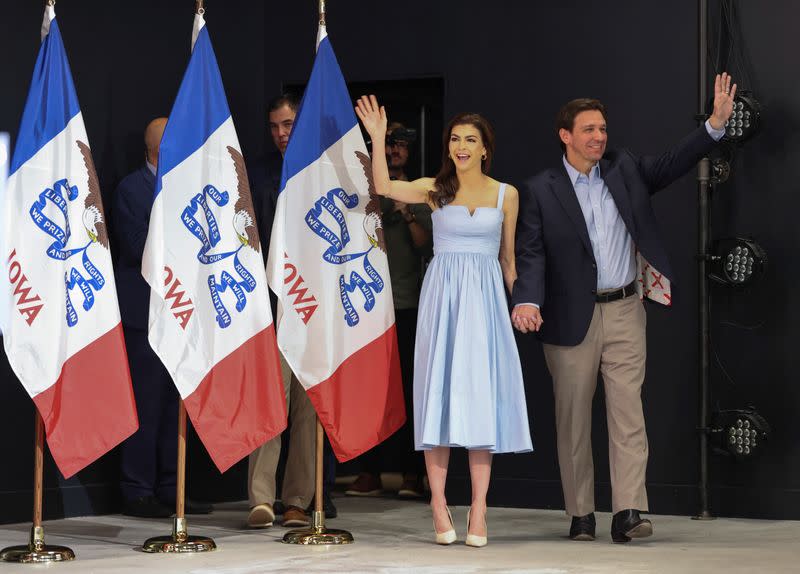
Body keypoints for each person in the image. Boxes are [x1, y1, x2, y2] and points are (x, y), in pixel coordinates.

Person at [511, 73, 737, 543]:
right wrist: (527, 298)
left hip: (624, 310)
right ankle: (581, 514)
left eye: (603, 129)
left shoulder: (625, 168)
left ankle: (629, 511)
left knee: (628, 412)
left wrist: (714, 125)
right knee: (572, 419)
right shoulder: (540, 188)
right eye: (589, 130)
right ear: (566, 135)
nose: (599, 137)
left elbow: (675, 162)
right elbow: (530, 251)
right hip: (569, 317)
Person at [356, 95, 533, 547]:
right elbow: (382, 186)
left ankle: (478, 508)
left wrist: (524, 303)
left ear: (485, 148)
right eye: (455, 139)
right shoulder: (435, 188)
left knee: (479, 400)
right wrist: (377, 138)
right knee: (438, 392)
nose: (461, 146)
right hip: (443, 298)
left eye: (470, 140)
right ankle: (438, 504)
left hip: (486, 301)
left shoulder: (505, 194)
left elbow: (509, 262)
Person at [114, 117, 212, 517]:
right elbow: (137, 245)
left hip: (182, 312)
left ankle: (175, 486)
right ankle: (137, 489)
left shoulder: (189, 191)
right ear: (159, 150)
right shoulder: (130, 189)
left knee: (178, 403)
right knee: (146, 404)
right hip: (144, 312)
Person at [246, 93, 334, 529]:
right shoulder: (258, 173)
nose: (282, 133)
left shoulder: (326, 170)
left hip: (315, 305)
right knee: (269, 402)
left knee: (309, 407)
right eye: (275, 126)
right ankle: (261, 498)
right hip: (271, 302)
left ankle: (297, 498)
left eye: (289, 124)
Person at [346, 122, 432, 500]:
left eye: (401, 146)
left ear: (409, 153)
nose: (395, 150)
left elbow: (425, 246)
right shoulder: (365, 195)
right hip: (368, 307)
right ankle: (369, 471)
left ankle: (413, 474)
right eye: (389, 144)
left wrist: (408, 214)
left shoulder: (418, 194)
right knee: (369, 392)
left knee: (413, 391)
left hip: (409, 304)